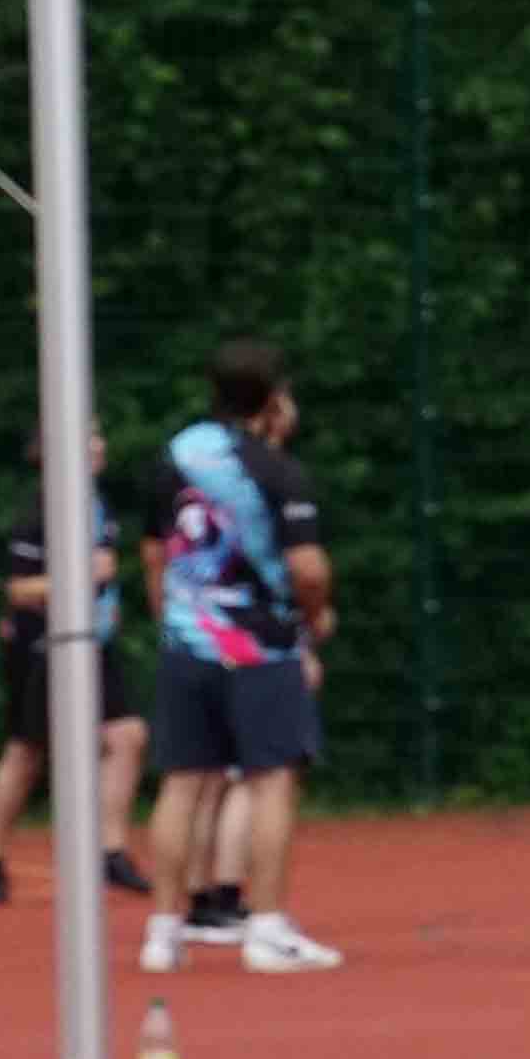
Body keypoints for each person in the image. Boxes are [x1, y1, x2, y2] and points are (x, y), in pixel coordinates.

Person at [136, 341, 343, 973]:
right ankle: (267, 927)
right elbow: (307, 569)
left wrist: (174, 621)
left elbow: (152, 555)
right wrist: (315, 618)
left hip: (186, 640)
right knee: (272, 778)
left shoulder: (173, 458)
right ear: (275, 397)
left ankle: (164, 932)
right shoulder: (277, 472)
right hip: (260, 645)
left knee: (182, 783)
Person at [0, 494, 147, 912]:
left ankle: (111, 851)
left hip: (93, 643)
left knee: (127, 735)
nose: (98, 443)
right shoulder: (39, 514)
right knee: (25, 754)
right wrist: (78, 577)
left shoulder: (99, 510)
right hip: (40, 647)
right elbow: (19, 589)